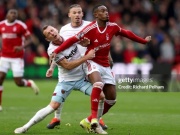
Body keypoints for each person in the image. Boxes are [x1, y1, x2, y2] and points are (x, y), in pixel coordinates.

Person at [50, 4, 152, 133]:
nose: (106, 13)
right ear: (96, 15)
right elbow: (71, 40)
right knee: (98, 84)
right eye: (102, 11)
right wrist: (57, 51)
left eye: (107, 11)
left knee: (112, 99)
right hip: (92, 62)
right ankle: (94, 120)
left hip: (105, 65)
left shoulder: (113, 27)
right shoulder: (90, 28)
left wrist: (143, 41)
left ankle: (87, 121)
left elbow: (127, 34)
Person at [14, 24, 108, 134]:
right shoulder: (52, 50)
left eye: (52, 30)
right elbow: (67, 65)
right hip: (66, 81)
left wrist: (85, 43)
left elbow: (82, 42)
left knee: (101, 96)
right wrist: (86, 57)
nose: (52, 33)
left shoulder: (69, 36)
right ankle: (25, 127)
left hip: (82, 79)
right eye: (49, 34)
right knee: (53, 106)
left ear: (56, 29)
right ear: (47, 39)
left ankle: (93, 124)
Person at [45, 4, 108, 131]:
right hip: (72, 62)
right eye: (74, 13)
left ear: (82, 14)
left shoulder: (91, 25)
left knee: (98, 88)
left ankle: (97, 117)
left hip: (89, 61)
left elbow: (102, 41)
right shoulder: (64, 29)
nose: (77, 15)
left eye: (79, 12)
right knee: (61, 88)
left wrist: (108, 56)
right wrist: (52, 67)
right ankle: (56, 118)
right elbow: (57, 50)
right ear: (69, 15)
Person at [0, 9, 39, 111]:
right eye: (11, 13)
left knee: (18, 83)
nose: (13, 15)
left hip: (17, 57)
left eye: (15, 14)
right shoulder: (2, 25)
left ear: (16, 16)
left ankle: (29, 83)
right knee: (0, 78)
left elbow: (30, 39)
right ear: (7, 15)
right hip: (4, 56)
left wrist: (21, 47)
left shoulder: (20, 26)